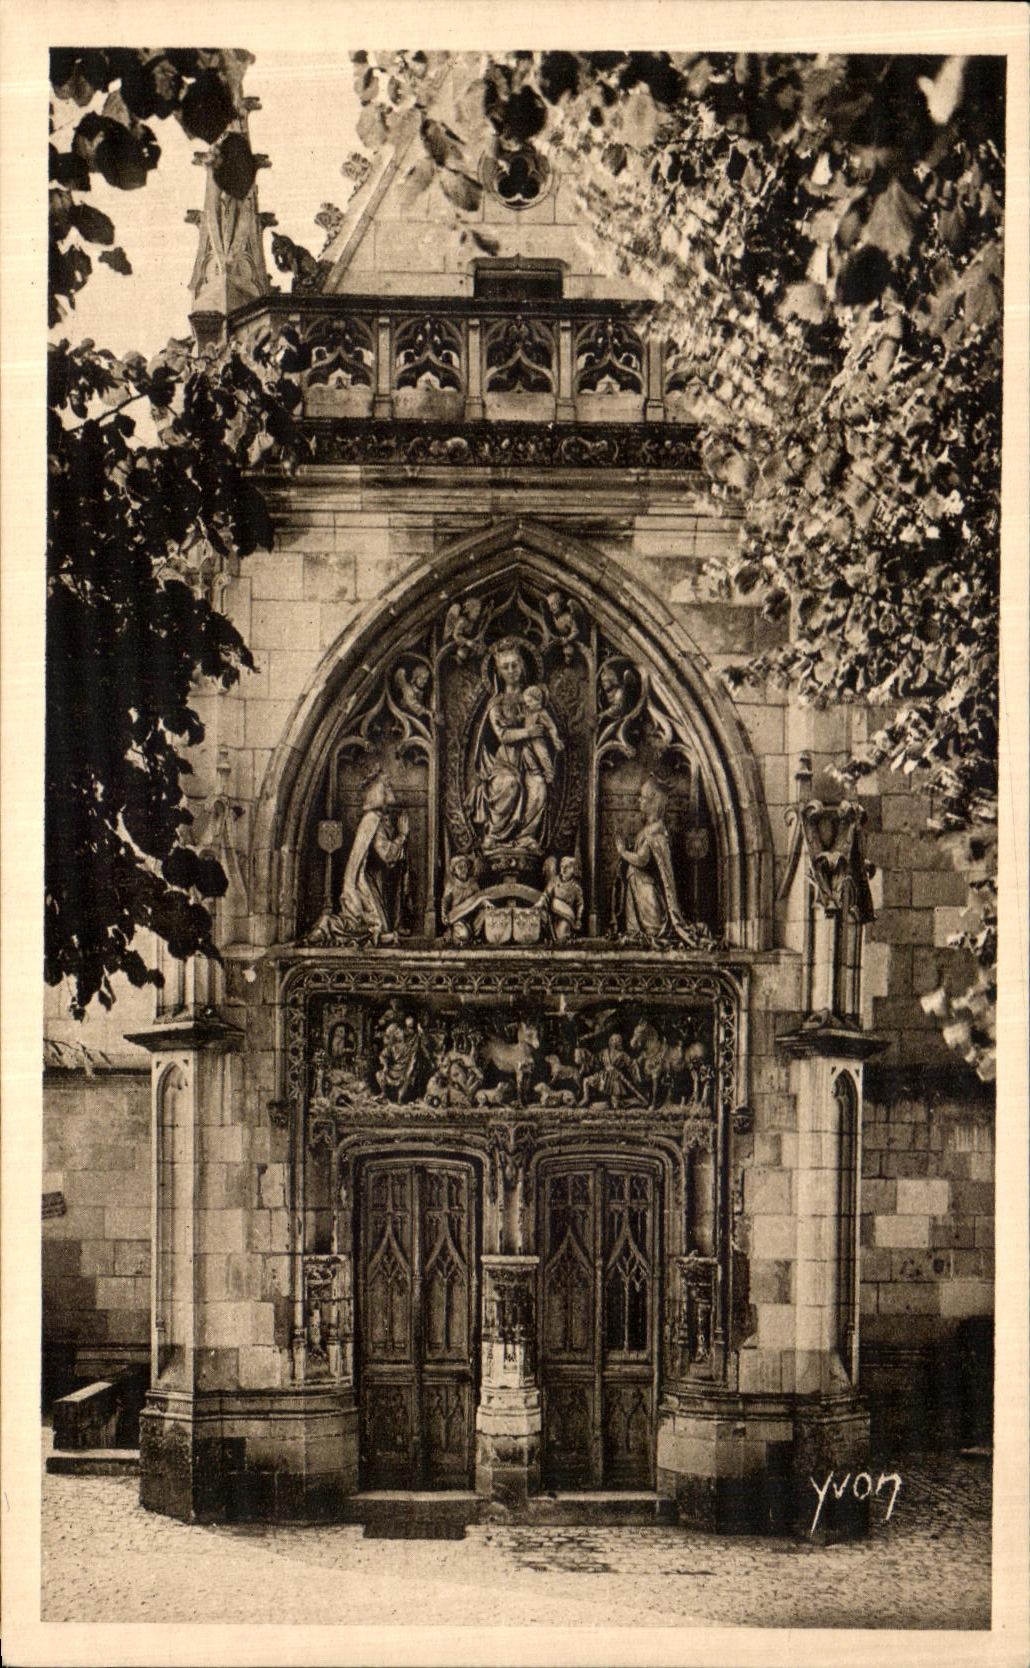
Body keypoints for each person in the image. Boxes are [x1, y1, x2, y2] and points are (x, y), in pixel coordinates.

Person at [467, 643, 558, 854]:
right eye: (505, 667)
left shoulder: (534, 698)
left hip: (530, 758)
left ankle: (526, 836)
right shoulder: (496, 703)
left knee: (538, 786)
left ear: (522, 666)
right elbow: (502, 735)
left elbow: (547, 728)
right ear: (498, 672)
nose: (511, 671)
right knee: (510, 783)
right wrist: (529, 732)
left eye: (514, 665)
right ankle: (494, 834)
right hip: (505, 762)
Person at [614, 776, 694, 945]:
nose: (639, 800)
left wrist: (622, 852)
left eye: (643, 797)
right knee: (636, 933)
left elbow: (642, 860)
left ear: (653, 802)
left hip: (645, 887)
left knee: (654, 930)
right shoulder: (648, 829)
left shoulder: (655, 830)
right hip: (636, 885)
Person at [336, 769, 410, 944]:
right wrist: (402, 836)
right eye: (387, 786)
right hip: (372, 881)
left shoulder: (380, 818)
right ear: (378, 792)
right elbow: (386, 854)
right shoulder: (372, 819)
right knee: (378, 927)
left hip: (382, 879)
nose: (391, 789)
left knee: (386, 927)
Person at [521, 684, 564, 783]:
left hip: (538, 740)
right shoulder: (528, 713)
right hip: (528, 739)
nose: (527, 704)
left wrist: (555, 738)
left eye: (530, 701)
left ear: (538, 701)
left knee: (542, 754)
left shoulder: (542, 713)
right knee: (525, 752)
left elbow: (551, 727)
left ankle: (549, 772)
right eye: (526, 702)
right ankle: (534, 770)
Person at [538, 854, 584, 941]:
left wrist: (578, 919)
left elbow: (580, 904)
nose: (564, 869)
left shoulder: (576, 887)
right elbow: (546, 895)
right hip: (551, 913)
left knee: (561, 937)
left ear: (573, 870)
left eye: (567, 867)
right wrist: (539, 904)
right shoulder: (554, 881)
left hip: (566, 916)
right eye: (562, 866)